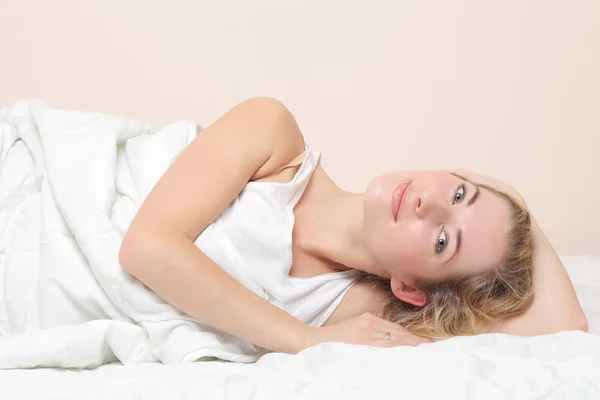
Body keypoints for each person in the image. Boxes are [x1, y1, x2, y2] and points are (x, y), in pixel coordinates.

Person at [119, 97, 587, 355]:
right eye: (460, 192)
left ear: (409, 289)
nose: (429, 202)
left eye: (444, 240)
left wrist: (517, 217)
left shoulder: (355, 311)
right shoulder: (273, 135)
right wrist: (509, 197)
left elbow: (563, 329)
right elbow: (145, 246)